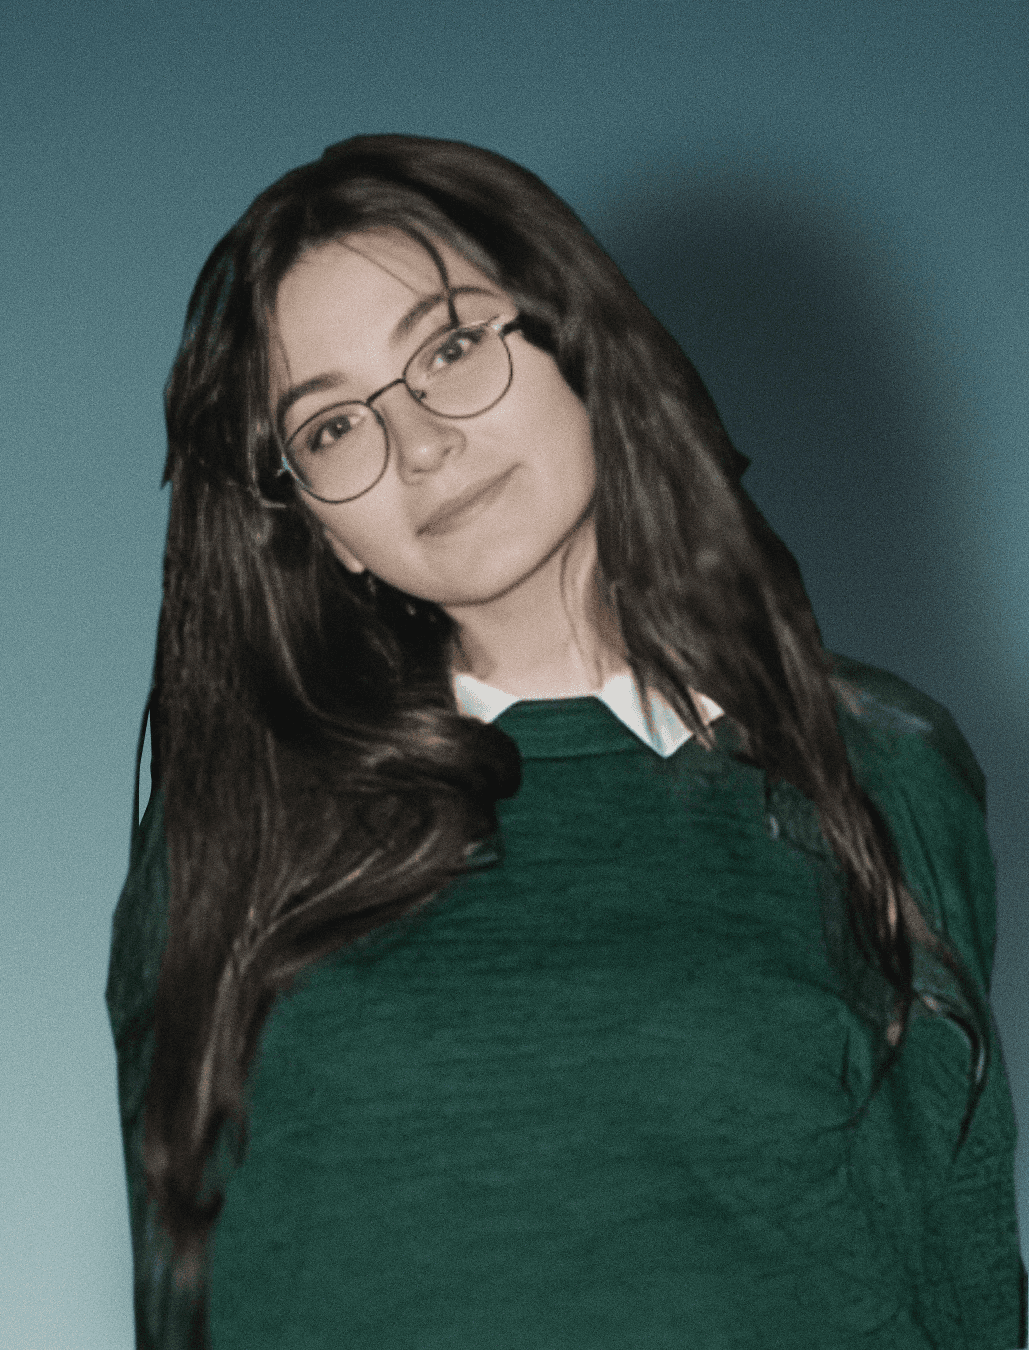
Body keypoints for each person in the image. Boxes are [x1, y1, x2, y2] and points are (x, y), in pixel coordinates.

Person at [105, 133, 1026, 1349]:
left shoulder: (879, 766)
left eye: (448, 346)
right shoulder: (234, 827)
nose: (420, 443)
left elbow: (956, 1264)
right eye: (332, 428)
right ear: (318, 525)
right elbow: (185, 1295)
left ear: (574, 337)